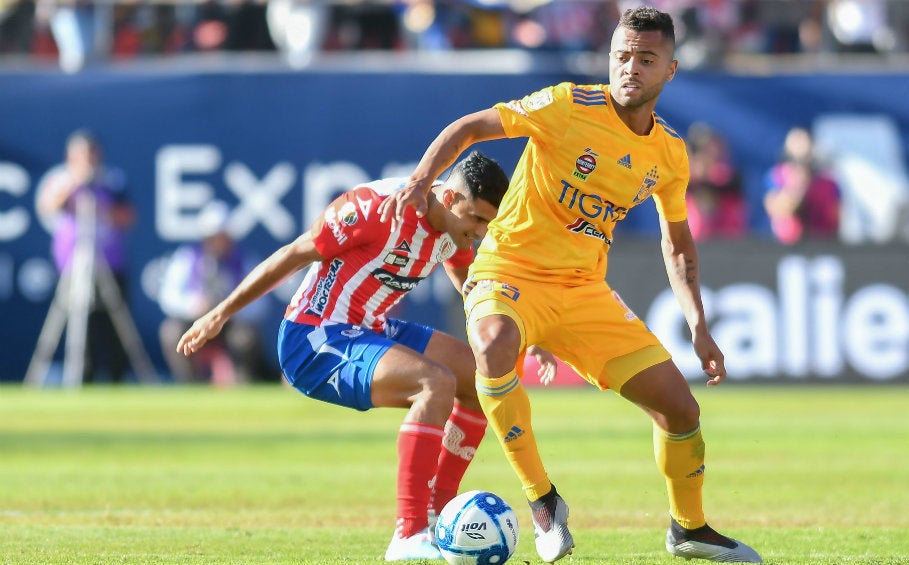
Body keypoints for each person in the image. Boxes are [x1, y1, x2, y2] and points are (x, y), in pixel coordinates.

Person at [379, 6, 761, 564]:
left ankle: (690, 528)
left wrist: (698, 327)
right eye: (622, 57)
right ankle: (541, 500)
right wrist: (419, 184)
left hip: (583, 291)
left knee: (680, 412)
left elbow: (676, 243)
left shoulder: (670, 154)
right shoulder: (566, 104)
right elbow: (469, 128)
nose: (630, 69)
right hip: (508, 269)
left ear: (670, 71)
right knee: (491, 348)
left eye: (645, 60)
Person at [176, 151, 556, 561]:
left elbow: (471, 288)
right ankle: (408, 535)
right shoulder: (374, 210)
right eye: (477, 221)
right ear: (448, 199)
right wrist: (219, 314)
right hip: (313, 337)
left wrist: (516, 329)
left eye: (487, 224)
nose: (481, 233)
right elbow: (291, 254)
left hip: (369, 327)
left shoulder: (454, 232)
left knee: (478, 379)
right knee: (435, 383)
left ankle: (437, 516)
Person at [37, 129, 135, 384]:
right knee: (78, 323)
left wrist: (99, 206)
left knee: (114, 326)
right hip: (73, 265)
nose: (88, 160)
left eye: (91, 154)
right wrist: (76, 183)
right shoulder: (61, 179)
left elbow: (127, 216)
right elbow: (49, 207)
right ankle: (82, 377)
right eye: (82, 155)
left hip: (108, 264)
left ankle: (117, 379)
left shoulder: (111, 180)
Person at [158, 202, 268, 385]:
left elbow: (261, 303)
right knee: (171, 332)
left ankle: (242, 385)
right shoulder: (187, 258)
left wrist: (231, 309)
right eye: (213, 236)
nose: (218, 242)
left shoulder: (245, 261)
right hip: (195, 321)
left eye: (222, 236)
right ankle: (190, 385)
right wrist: (194, 304)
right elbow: (168, 296)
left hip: (230, 323)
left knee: (245, 338)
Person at [763, 126, 840, 244]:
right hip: (785, 244)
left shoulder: (827, 182)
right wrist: (796, 187)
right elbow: (775, 209)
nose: (800, 147)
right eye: (795, 142)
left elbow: (835, 216)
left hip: (822, 242)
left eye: (803, 141)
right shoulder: (776, 176)